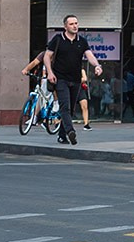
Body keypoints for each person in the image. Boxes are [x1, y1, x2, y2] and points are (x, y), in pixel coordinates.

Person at [39, 15, 99, 146]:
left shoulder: (82, 41)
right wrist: (49, 72)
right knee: (65, 107)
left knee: (71, 109)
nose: (75, 26)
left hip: (76, 79)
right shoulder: (58, 39)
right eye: (71, 24)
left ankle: (62, 135)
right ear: (65, 26)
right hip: (60, 79)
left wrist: (97, 65)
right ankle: (70, 131)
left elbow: (90, 55)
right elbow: (47, 56)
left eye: (76, 23)